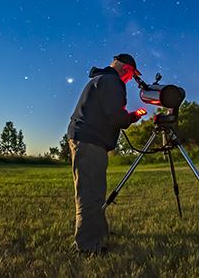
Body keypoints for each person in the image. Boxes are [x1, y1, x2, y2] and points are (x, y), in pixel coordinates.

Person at [66, 53, 147, 254]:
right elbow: (116, 116)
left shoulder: (102, 79)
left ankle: (98, 234)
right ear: (125, 69)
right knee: (90, 194)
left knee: (94, 190)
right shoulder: (112, 82)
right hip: (89, 140)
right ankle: (88, 247)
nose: (130, 80)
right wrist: (133, 117)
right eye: (130, 75)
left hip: (86, 139)